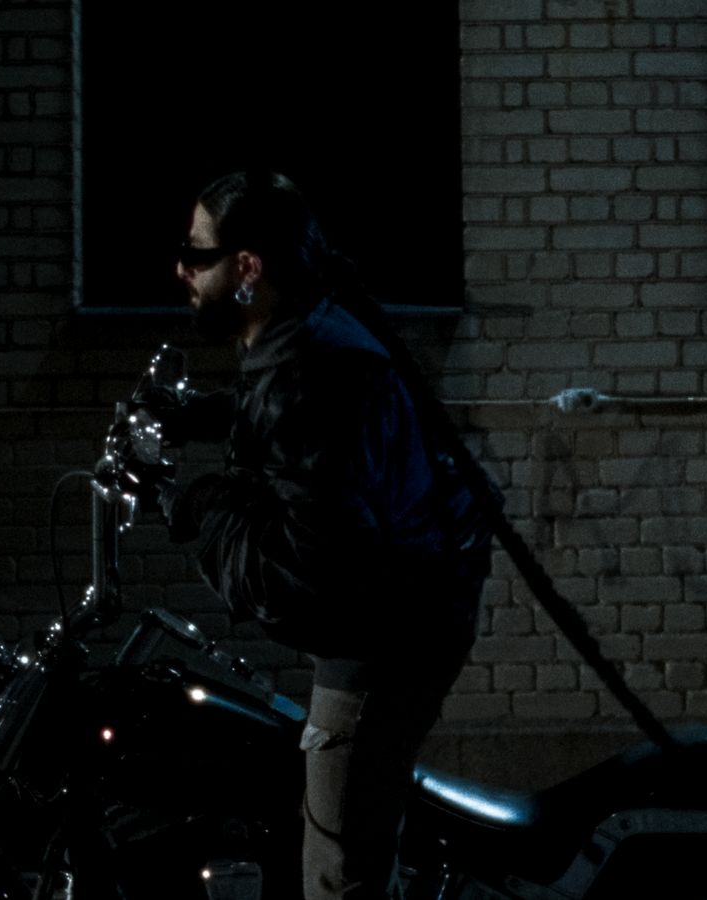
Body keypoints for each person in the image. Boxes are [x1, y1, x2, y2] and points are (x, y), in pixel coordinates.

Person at [151, 171, 492, 900]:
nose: (182, 267)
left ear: (247, 267)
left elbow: (306, 571)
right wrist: (202, 418)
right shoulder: (299, 335)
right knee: (351, 834)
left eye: (196, 252)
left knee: (338, 875)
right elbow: (280, 423)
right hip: (404, 611)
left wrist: (198, 504)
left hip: (383, 638)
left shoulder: (312, 366)